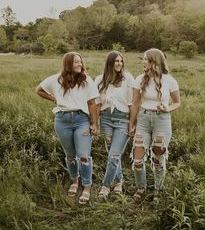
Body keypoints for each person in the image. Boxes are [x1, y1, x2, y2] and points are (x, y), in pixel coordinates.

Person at [36, 52, 99, 204]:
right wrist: (54, 98)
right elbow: (39, 90)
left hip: (81, 120)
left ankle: (87, 186)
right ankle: (74, 182)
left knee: (84, 155)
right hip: (62, 121)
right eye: (76, 62)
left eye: (80, 62)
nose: (80, 65)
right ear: (68, 64)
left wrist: (95, 124)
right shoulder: (55, 80)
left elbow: (92, 103)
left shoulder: (87, 80)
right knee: (70, 155)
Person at [128, 48, 180, 203]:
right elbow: (135, 103)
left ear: (154, 61)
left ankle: (158, 189)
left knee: (158, 158)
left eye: (145, 59)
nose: (143, 62)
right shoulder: (139, 79)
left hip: (162, 120)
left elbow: (177, 102)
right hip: (143, 119)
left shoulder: (169, 80)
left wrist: (167, 108)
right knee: (137, 158)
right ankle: (140, 187)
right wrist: (132, 124)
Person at [95, 51, 134, 198]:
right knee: (112, 154)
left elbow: (132, 104)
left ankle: (105, 186)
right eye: (116, 61)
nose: (119, 64)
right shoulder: (100, 80)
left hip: (122, 120)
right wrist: (95, 123)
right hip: (105, 119)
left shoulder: (127, 78)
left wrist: (132, 124)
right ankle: (119, 181)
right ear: (109, 63)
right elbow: (97, 103)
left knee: (113, 155)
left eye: (121, 61)